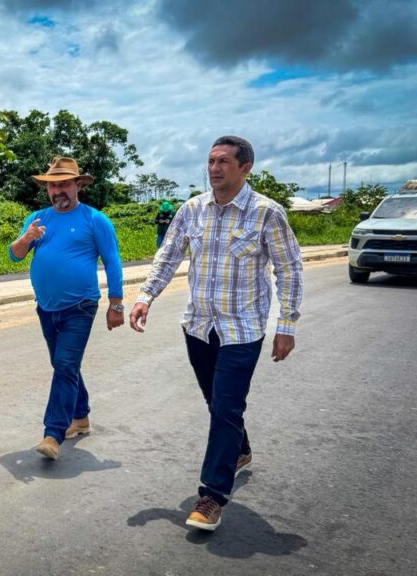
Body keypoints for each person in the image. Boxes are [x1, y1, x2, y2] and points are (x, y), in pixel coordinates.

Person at [129, 135, 303, 532]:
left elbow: (289, 269)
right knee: (215, 401)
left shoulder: (266, 213)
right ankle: (238, 449)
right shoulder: (192, 210)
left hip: (242, 329)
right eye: (210, 161)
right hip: (199, 327)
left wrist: (286, 325)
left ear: (245, 168)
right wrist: (145, 297)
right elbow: (168, 255)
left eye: (223, 161)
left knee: (226, 405)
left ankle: (211, 496)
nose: (214, 168)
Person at [8, 156, 125, 461]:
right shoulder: (38, 218)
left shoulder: (94, 219)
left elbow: (112, 260)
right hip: (46, 307)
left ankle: (53, 433)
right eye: (52, 185)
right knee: (64, 365)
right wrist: (27, 237)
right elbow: (15, 256)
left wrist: (116, 303)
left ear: (77, 185)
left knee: (64, 365)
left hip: (81, 306)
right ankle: (81, 416)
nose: (57, 190)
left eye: (63, 184)